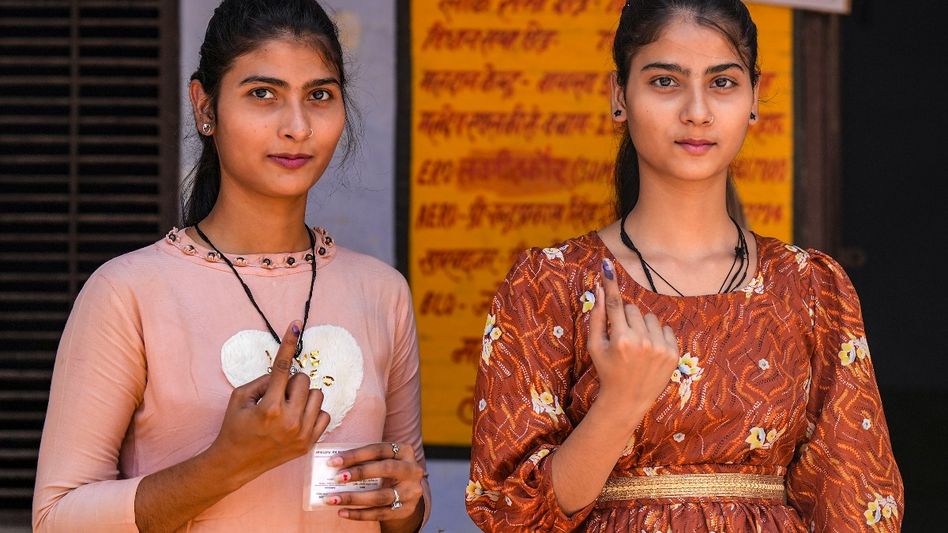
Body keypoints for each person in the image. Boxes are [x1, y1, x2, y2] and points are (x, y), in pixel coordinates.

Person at [466, 1, 903, 531]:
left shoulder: (810, 287)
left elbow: (857, 501)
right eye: (665, 82)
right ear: (618, 95)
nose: (697, 111)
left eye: (722, 83)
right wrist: (620, 402)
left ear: (754, 99)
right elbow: (510, 515)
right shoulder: (550, 284)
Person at [32, 1, 428, 531]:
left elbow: (404, 500)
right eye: (263, 94)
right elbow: (57, 518)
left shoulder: (381, 293)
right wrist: (226, 464)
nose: (297, 126)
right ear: (205, 106)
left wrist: (406, 502)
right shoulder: (128, 293)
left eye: (319, 96)